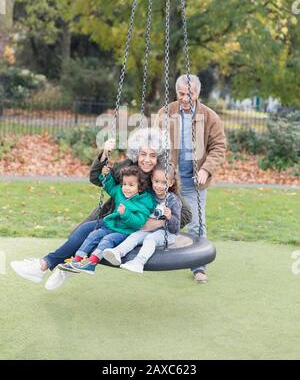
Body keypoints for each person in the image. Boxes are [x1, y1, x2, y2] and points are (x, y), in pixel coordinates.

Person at [11, 127, 192, 290]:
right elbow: (98, 179)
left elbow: (185, 213)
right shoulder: (127, 167)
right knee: (83, 230)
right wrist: (104, 155)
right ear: (137, 153)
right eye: (143, 154)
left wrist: (157, 223)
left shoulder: (161, 177)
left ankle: (58, 267)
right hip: (115, 217)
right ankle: (49, 266)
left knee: (94, 236)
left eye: (153, 155)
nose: (147, 160)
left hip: (132, 229)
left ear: (158, 157)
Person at [156, 74, 226, 283]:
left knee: (196, 225)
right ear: (176, 92)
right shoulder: (165, 113)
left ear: (198, 93)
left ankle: (198, 267)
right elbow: (155, 143)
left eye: (190, 94)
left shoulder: (210, 116)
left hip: (195, 181)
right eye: (182, 94)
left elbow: (219, 147)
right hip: (169, 181)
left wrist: (206, 169)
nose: (185, 98)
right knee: (159, 218)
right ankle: (154, 256)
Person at [58, 165, 156, 274]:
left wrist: (126, 214)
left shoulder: (144, 202)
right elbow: (109, 186)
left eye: (131, 185)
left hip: (124, 232)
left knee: (108, 239)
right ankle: (78, 260)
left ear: (140, 187)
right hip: (110, 225)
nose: (126, 188)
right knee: (94, 235)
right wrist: (106, 175)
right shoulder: (120, 192)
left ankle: (91, 263)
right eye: (124, 184)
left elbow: (139, 223)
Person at [103, 163, 181, 273]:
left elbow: (176, 228)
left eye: (164, 182)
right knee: (136, 235)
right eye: (156, 181)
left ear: (171, 183)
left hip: (168, 233)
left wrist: (170, 217)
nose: (159, 185)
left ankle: (139, 263)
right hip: (150, 230)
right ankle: (117, 252)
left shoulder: (173, 201)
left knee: (151, 239)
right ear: (152, 180)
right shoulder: (149, 196)